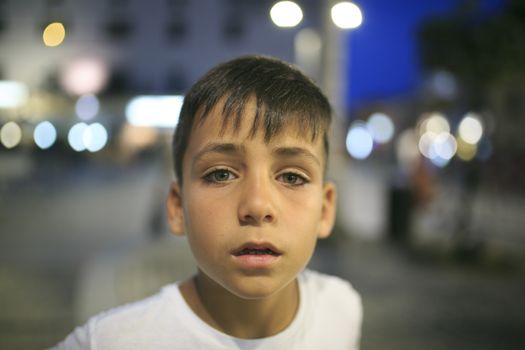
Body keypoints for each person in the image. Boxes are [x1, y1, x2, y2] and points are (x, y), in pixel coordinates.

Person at [54, 55, 363, 349]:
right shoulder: (113, 341)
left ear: (325, 210)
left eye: (292, 177)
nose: (257, 206)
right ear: (177, 207)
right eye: (220, 174)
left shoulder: (340, 308)